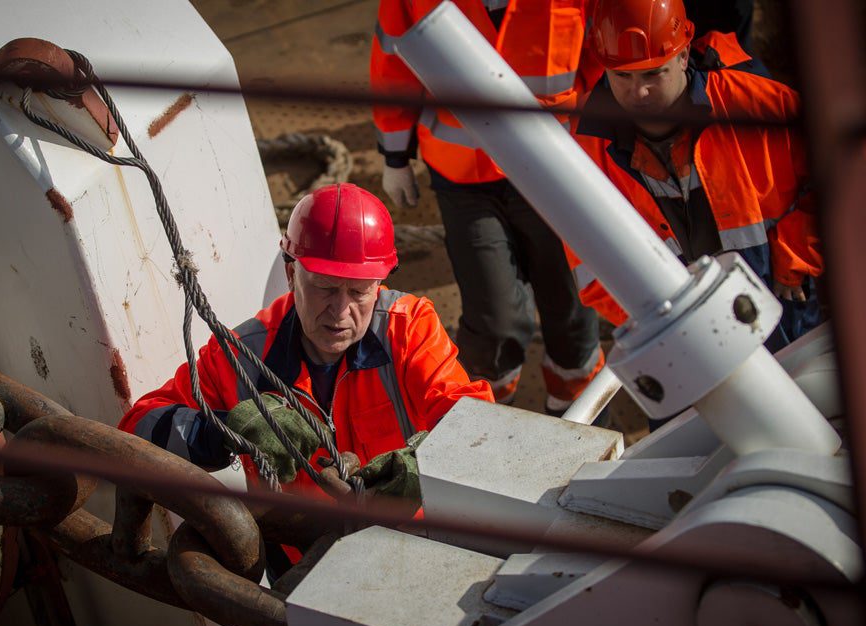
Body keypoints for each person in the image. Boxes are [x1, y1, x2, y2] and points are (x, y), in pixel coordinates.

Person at [118, 183, 493, 502]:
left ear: (379, 284)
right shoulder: (239, 356)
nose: (341, 311)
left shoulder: (409, 329)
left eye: (360, 292)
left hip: (410, 541)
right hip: (302, 559)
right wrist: (230, 430)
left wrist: (419, 464)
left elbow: (473, 424)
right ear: (291, 272)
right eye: (325, 288)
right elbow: (137, 428)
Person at [370, 0, 605, 412]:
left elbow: (602, 64)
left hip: (555, 169)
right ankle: (485, 425)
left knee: (573, 308)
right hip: (464, 179)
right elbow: (393, 68)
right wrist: (395, 156)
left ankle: (578, 420)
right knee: (494, 322)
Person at [568, 0, 822, 348]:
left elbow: (844, 180)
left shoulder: (755, 105)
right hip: (688, 342)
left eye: (653, 73)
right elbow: (587, 261)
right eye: (622, 76)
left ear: (684, 56)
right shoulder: (586, 150)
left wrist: (797, 257)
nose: (638, 93)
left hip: (790, 319)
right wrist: (655, 320)